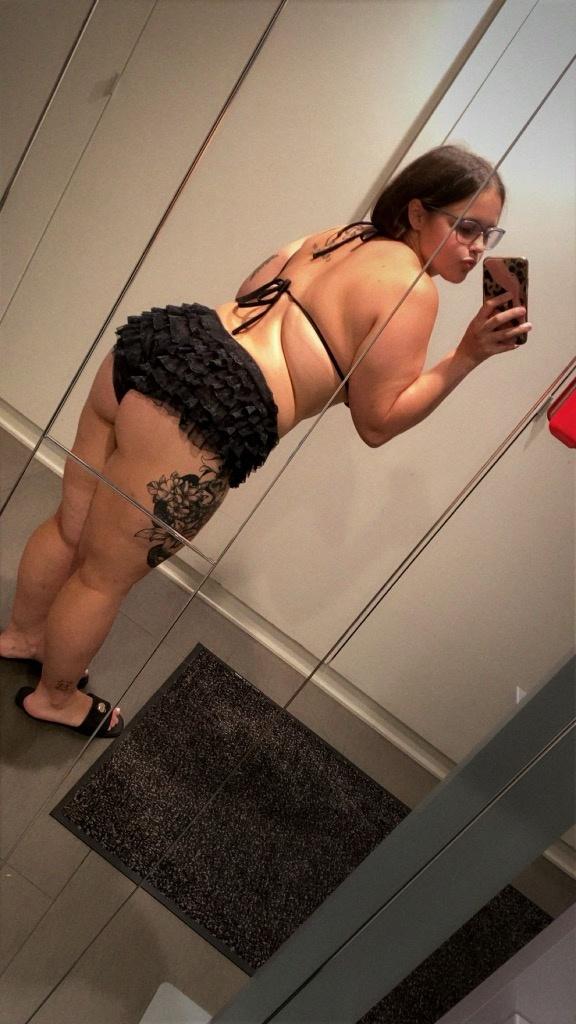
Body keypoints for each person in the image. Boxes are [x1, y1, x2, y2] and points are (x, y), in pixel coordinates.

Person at [0, 145, 531, 738]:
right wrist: (466, 356)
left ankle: (23, 636)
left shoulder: (342, 236)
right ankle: (56, 699)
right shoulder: (414, 290)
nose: (477, 248)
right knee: (102, 577)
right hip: (201, 414)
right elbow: (377, 423)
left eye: (489, 234)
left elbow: (254, 287)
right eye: (465, 227)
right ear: (416, 212)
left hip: (161, 342)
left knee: (71, 526)